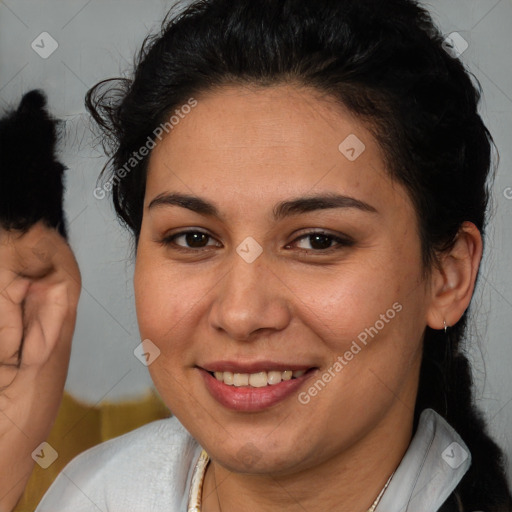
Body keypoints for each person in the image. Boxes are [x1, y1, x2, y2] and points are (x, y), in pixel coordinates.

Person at [4, 0, 512, 510]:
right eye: (194, 239)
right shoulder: (91, 495)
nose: (242, 314)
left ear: (448, 276)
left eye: (318, 241)